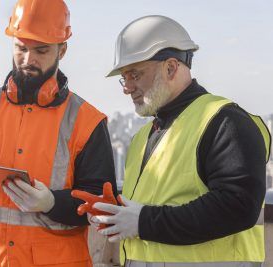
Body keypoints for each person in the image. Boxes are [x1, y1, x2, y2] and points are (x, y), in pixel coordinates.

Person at [0, 0, 117, 266]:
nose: (28, 60)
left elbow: (99, 204)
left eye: (41, 50)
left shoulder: (87, 121)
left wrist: (52, 202)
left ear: (62, 50)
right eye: (21, 48)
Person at [90, 15, 271, 267]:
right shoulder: (142, 137)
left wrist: (143, 222)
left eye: (135, 74)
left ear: (171, 67)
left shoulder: (225, 121)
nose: (126, 87)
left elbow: (238, 206)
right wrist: (117, 214)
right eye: (124, 77)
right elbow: (157, 203)